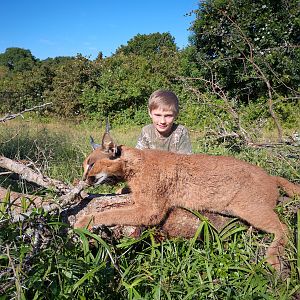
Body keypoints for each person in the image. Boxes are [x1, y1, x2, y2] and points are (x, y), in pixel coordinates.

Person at [136, 89, 192, 154]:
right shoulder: (146, 131)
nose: (162, 121)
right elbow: (139, 157)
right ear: (150, 113)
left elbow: (185, 160)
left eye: (168, 116)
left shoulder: (180, 132)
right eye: (158, 115)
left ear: (176, 114)